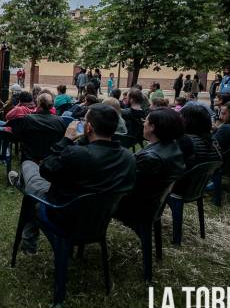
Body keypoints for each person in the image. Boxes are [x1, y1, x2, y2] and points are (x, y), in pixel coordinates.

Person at [10, 104, 136, 253]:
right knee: (34, 187)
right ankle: (22, 185)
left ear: (88, 127)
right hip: (98, 220)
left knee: (29, 166)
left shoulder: (76, 154)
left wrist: (66, 139)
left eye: (84, 120)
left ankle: (20, 183)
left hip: (62, 215)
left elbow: (45, 170)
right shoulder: (128, 158)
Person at [115, 108, 186, 224]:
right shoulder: (173, 147)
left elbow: (127, 185)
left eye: (146, 121)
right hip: (151, 203)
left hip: (134, 208)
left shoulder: (151, 158)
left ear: (152, 127)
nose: (144, 124)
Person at [9, 93, 66, 162]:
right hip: (51, 158)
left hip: (30, 158)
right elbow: (62, 140)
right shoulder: (60, 121)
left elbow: (18, 137)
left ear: (38, 104)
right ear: (52, 105)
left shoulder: (28, 119)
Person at [176, 104, 221, 169]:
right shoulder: (213, 140)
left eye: (180, 118)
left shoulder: (186, 140)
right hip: (202, 176)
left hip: (186, 176)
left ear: (186, 121)